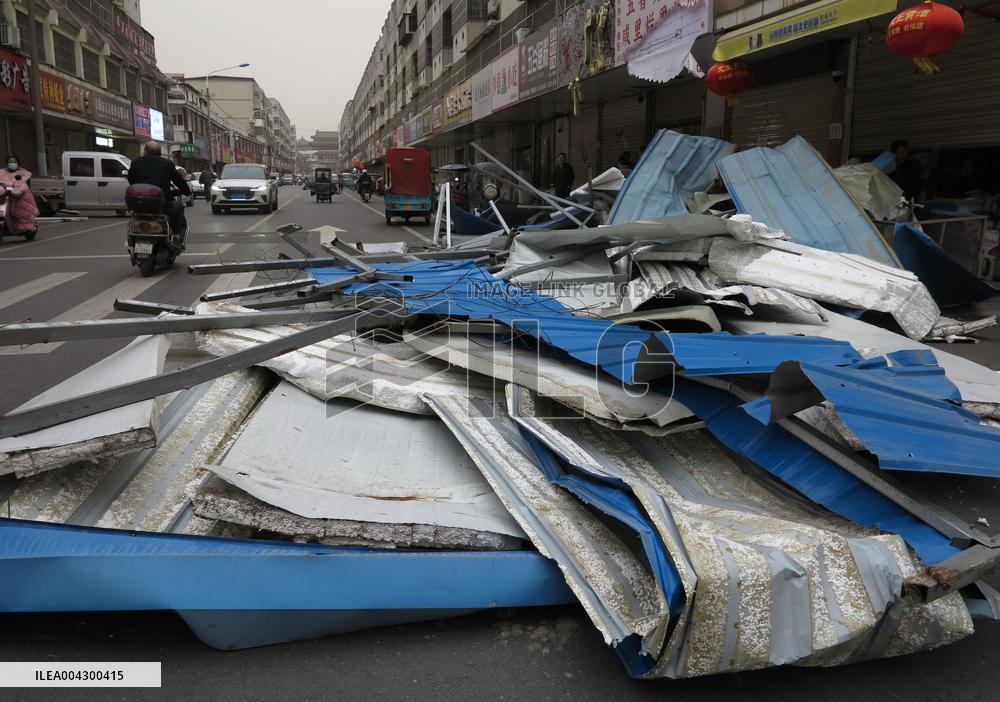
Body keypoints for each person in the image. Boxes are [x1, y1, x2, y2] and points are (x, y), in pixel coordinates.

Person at [127, 141, 191, 242]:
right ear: (160, 152)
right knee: (179, 206)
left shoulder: (135, 162)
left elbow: (131, 181)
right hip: (162, 206)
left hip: (140, 206)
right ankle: (177, 236)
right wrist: (187, 191)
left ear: (145, 151)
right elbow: (179, 181)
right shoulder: (167, 164)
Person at [0, 154, 39, 235]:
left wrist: (18, 190)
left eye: (14, 162)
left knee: (21, 212)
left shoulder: (24, 174)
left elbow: (24, 185)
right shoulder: (2, 173)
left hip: (21, 196)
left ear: (18, 162)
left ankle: (25, 227)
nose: (12, 163)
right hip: (5, 196)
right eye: (10, 162)